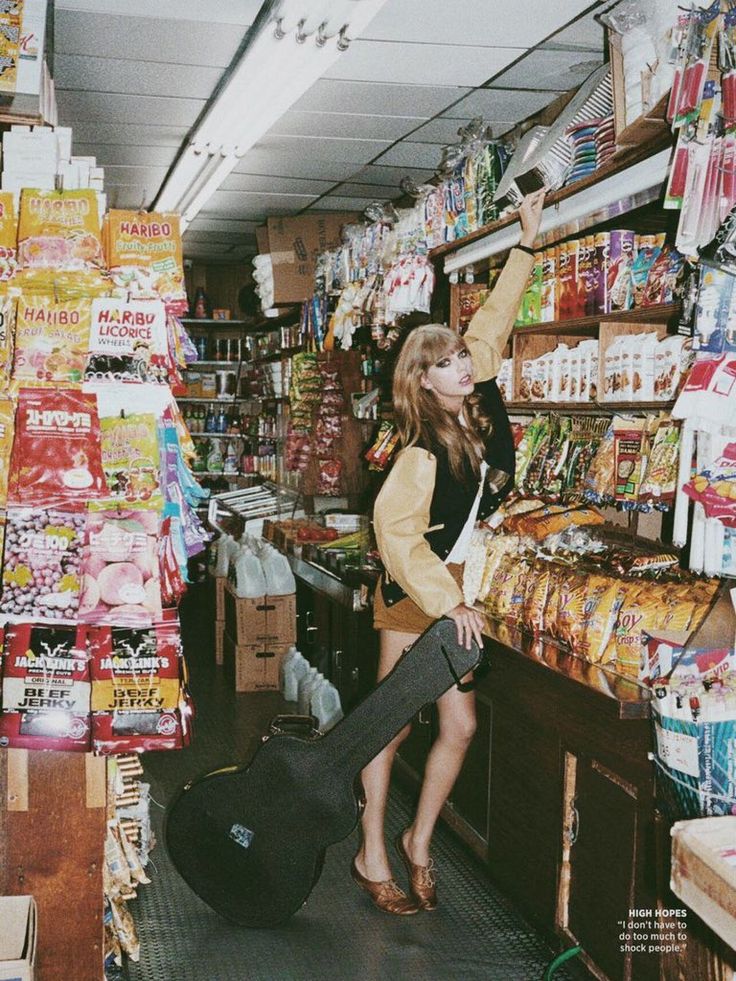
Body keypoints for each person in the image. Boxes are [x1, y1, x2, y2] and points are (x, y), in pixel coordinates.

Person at [351, 189, 546, 915]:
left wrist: (528, 242)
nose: (464, 363)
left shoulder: (476, 394)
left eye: (462, 355)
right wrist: (448, 601)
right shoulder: (420, 450)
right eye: (448, 361)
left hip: (455, 587)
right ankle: (372, 848)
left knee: (457, 725)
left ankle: (418, 843)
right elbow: (394, 533)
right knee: (389, 723)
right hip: (417, 592)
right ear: (421, 380)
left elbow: (493, 320)